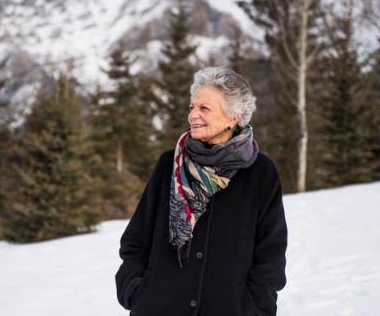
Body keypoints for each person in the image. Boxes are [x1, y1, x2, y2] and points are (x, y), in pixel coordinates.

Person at [115, 67, 288, 316]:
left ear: (233, 117)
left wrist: (257, 306)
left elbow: (270, 253)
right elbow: (136, 239)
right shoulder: (170, 164)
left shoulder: (260, 172)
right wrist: (133, 289)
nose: (193, 115)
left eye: (204, 108)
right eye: (191, 107)